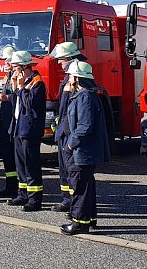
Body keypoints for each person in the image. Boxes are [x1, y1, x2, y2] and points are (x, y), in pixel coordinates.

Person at [61, 60, 110, 235]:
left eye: (71, 76)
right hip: (82, 150)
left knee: (79, 186)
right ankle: (88, 219)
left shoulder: (85, 97)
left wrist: (70, 144)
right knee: (86, 185)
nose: (69, 79)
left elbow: (85, 126)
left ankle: (79, 222)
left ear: (77, 78)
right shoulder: (84, 95)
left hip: (81, 151)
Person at [48, 41, 87, 213]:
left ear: (70, 58)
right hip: (63, 130)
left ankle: (73, 202)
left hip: (69, 132)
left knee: (72, 170)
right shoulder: (67, 79)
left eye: (61, 60)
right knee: (64, 168)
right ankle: (67, 200)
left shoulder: (79, 78)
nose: (59, 63)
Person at [6, 51, 46, 212]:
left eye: (15, 67)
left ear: (24, 67)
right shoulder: (23, 82)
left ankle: (34, 199)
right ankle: (22, 194)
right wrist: (16, 88)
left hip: (30, 129)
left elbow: (30, 106)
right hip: (19, 127)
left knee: (31, 165)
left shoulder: (36, 82)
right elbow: (16, 104)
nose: (13, 70)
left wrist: (22, 87)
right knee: (20, 164)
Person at [0, 46, 19, 198]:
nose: (4, 62)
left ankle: (16, 188)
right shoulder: (9, 76)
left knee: (14, 157)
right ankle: (10, 186)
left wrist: (8, 98)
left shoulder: (17, 77)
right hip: (5, 122)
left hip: (13, 123)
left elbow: (21, 99)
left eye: (6, 60)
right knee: (7, 157)